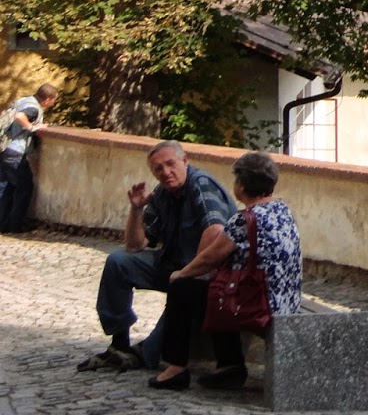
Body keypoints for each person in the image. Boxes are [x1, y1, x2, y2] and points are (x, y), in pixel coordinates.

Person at [77, 140, 236, 372]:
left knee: (183, 288)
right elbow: (135, 245)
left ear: (185, 161)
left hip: (209, 271)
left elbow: (215, 231)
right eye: (158, 168)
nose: (165, 172)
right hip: (172, 264)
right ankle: (119, 343)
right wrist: (136, 209)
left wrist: (188, 272)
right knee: (118, 262)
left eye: (170, 164)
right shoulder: (161, 193)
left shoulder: (201, 184)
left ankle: (143, 354)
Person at [151, 151, 302, 390]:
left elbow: (209, 258)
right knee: (217, 289)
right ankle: (229, 365)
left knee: (183, 290)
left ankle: (176, 368)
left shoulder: (245, 219)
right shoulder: (282, 210)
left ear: (240, 185)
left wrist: (181, 274)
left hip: (262, 304)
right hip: (286, 300)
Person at [0, 82, 60, 232]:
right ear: (47, 99)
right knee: (25, 187)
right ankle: (15, 225)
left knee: (7, 187)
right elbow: (20, 116)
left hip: (4, 148)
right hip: (15, 151)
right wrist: (32, 127)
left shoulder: (22, 100)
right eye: (53, 100)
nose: (53, 104)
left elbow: (4, 114)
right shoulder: (33, 108)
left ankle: (4, 224)